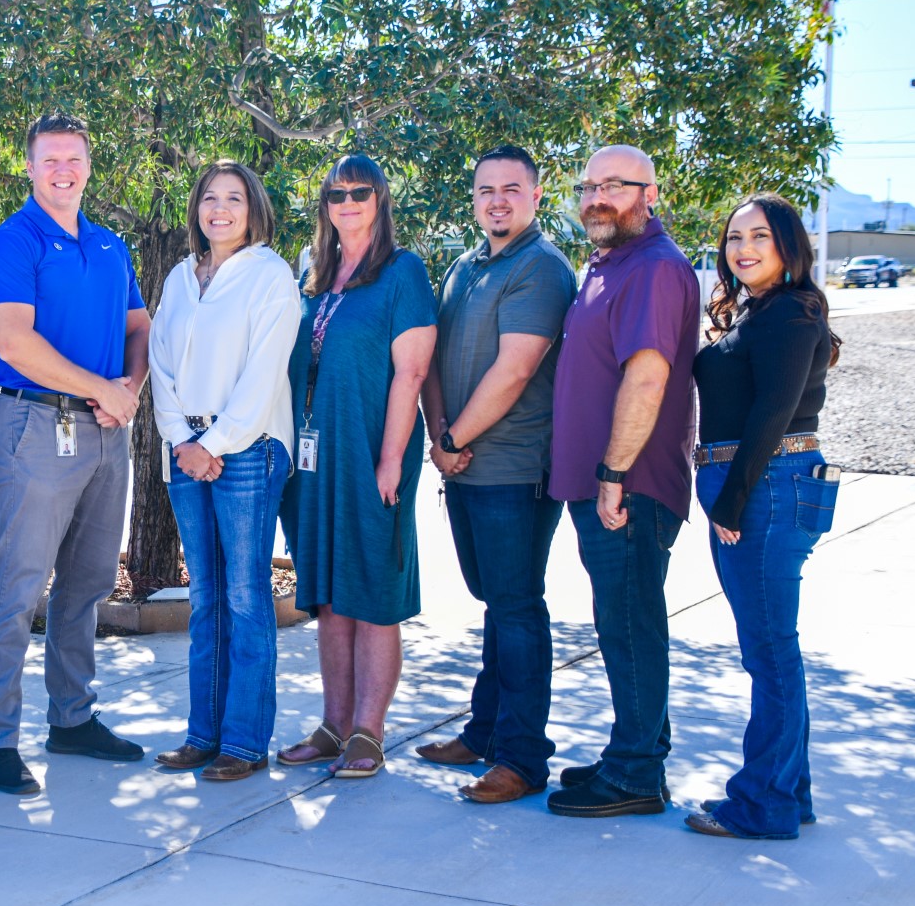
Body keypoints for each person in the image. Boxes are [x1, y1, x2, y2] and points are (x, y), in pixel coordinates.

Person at [0, 112, 151, 795]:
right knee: (18, 588)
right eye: (50, 159)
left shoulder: (110, 247)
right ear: (29, 166)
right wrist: (102, 388)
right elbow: (15, 345)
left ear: (88, 165)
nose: (63, 170)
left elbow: (139, 326)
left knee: (86, 585)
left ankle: (72, 720)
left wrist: (126, 390)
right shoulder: (8, 245)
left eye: (73, 158)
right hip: (38, 428)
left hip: (107, 430)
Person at [416, 145, 575, 803]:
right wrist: (439, 439)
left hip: (514, 470)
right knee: (496, 602)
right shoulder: (465, 265)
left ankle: (522, 757)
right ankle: (484, 731)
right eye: (486, 190)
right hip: (463, 467)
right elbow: (431, 357)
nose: (498, 201)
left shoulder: (540, 269)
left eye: (512, 189)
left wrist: (452, 438)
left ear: (537, 196)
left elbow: (514, 372)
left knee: (516, 607)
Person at [546, 144, 699, 818]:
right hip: (604, 484)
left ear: (651, 194)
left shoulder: (656, 269)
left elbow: (648, 375)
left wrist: (613, 471)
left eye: (616, 185)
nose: (597, 197)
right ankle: (636, 754)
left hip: (628, 487)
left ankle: (636, 773)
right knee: (623, 621)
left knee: (630, 623)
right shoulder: (614, 263)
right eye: (588, 186)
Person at [276, 154, 437, 780]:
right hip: (314, 460)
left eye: (360, 192)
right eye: (336, 193)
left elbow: (412, 371)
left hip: (371, 452)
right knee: (330, 597)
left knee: (372, 593)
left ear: (380, 200)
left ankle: (368, 731)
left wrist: (392, 457)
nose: (347, 202)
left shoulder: (403, 272)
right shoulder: (315, 276)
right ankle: (332, 724)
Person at [685, 194, 841, 841]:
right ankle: (787, 792)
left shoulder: (790, 314)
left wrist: (733, 496)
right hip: (763, 481)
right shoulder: (763, 310)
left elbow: (773, 411)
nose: (743, 249)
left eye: (759, 238)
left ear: (788, 246)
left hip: (768, 484)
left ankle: (764, 803)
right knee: (774, 649)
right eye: (734, 238)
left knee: (770, 652)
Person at [149, 161, 299, 782]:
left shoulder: (270, 275)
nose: (220, 209)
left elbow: (266, 372)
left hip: (250, 447)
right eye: (209, 198)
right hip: (186, 450)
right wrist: (185, 440)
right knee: (206, 597)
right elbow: (160, 362)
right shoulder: (182, 277)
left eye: (233, 198)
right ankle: (202, 735)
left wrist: (217, 443)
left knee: (243, 595)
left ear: (253, 208)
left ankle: (243, 741)